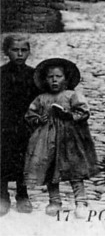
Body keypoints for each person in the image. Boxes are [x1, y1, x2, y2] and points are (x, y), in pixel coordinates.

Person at [24, 58, 97, 219]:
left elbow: (83, 112)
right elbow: (30, 114)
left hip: (69, 139)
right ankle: (54, 201)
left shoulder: (72, 95)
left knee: (74, 169)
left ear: (67, 78)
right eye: (50, 77)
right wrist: (39, 119)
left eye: (58, 76)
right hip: (47, 139)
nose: (54, 80)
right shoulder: (42, 98)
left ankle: (81, 201)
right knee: (50, 169)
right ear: (45, 79)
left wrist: (69, 115)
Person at [0, 35, 39, 216]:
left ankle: (22, 195)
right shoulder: (1, 74)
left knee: (24, 159)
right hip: (4, 124)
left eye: (24, 50)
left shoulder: (34, 76)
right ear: (6, 52)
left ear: (29, 52)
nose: (20, 54)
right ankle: (2, 195)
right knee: (3, 157)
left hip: (25, 124)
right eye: (15, 50)